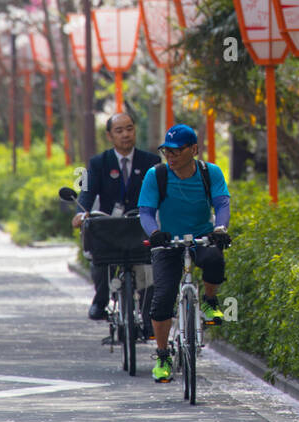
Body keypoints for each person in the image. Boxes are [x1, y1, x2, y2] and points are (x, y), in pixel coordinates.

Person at [138, 123, 231, 384]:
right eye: (167, 150)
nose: (171, 156)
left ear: (194, 150)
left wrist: (220, 228)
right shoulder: (156, 175)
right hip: (167, 242)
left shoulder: (209, 172)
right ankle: (163, 355)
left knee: (214, 259)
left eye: (177, 151)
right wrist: (154, 232)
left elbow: (222, 203)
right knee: (163, 297)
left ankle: (210, 301)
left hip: (201, 237)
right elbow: (145, 211)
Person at [73, 112, 159, 328]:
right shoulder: (96, 163)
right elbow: (85, 192)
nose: (126, 135)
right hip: (110, 227)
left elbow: (160, 193)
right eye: (119, 131)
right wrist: (80, 212)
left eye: (129, 128)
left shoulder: (152, 161)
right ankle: (100, 301)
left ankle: (148, 312)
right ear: (110, 135)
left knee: (151, 265)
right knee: (99, 258)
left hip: (140, 225)